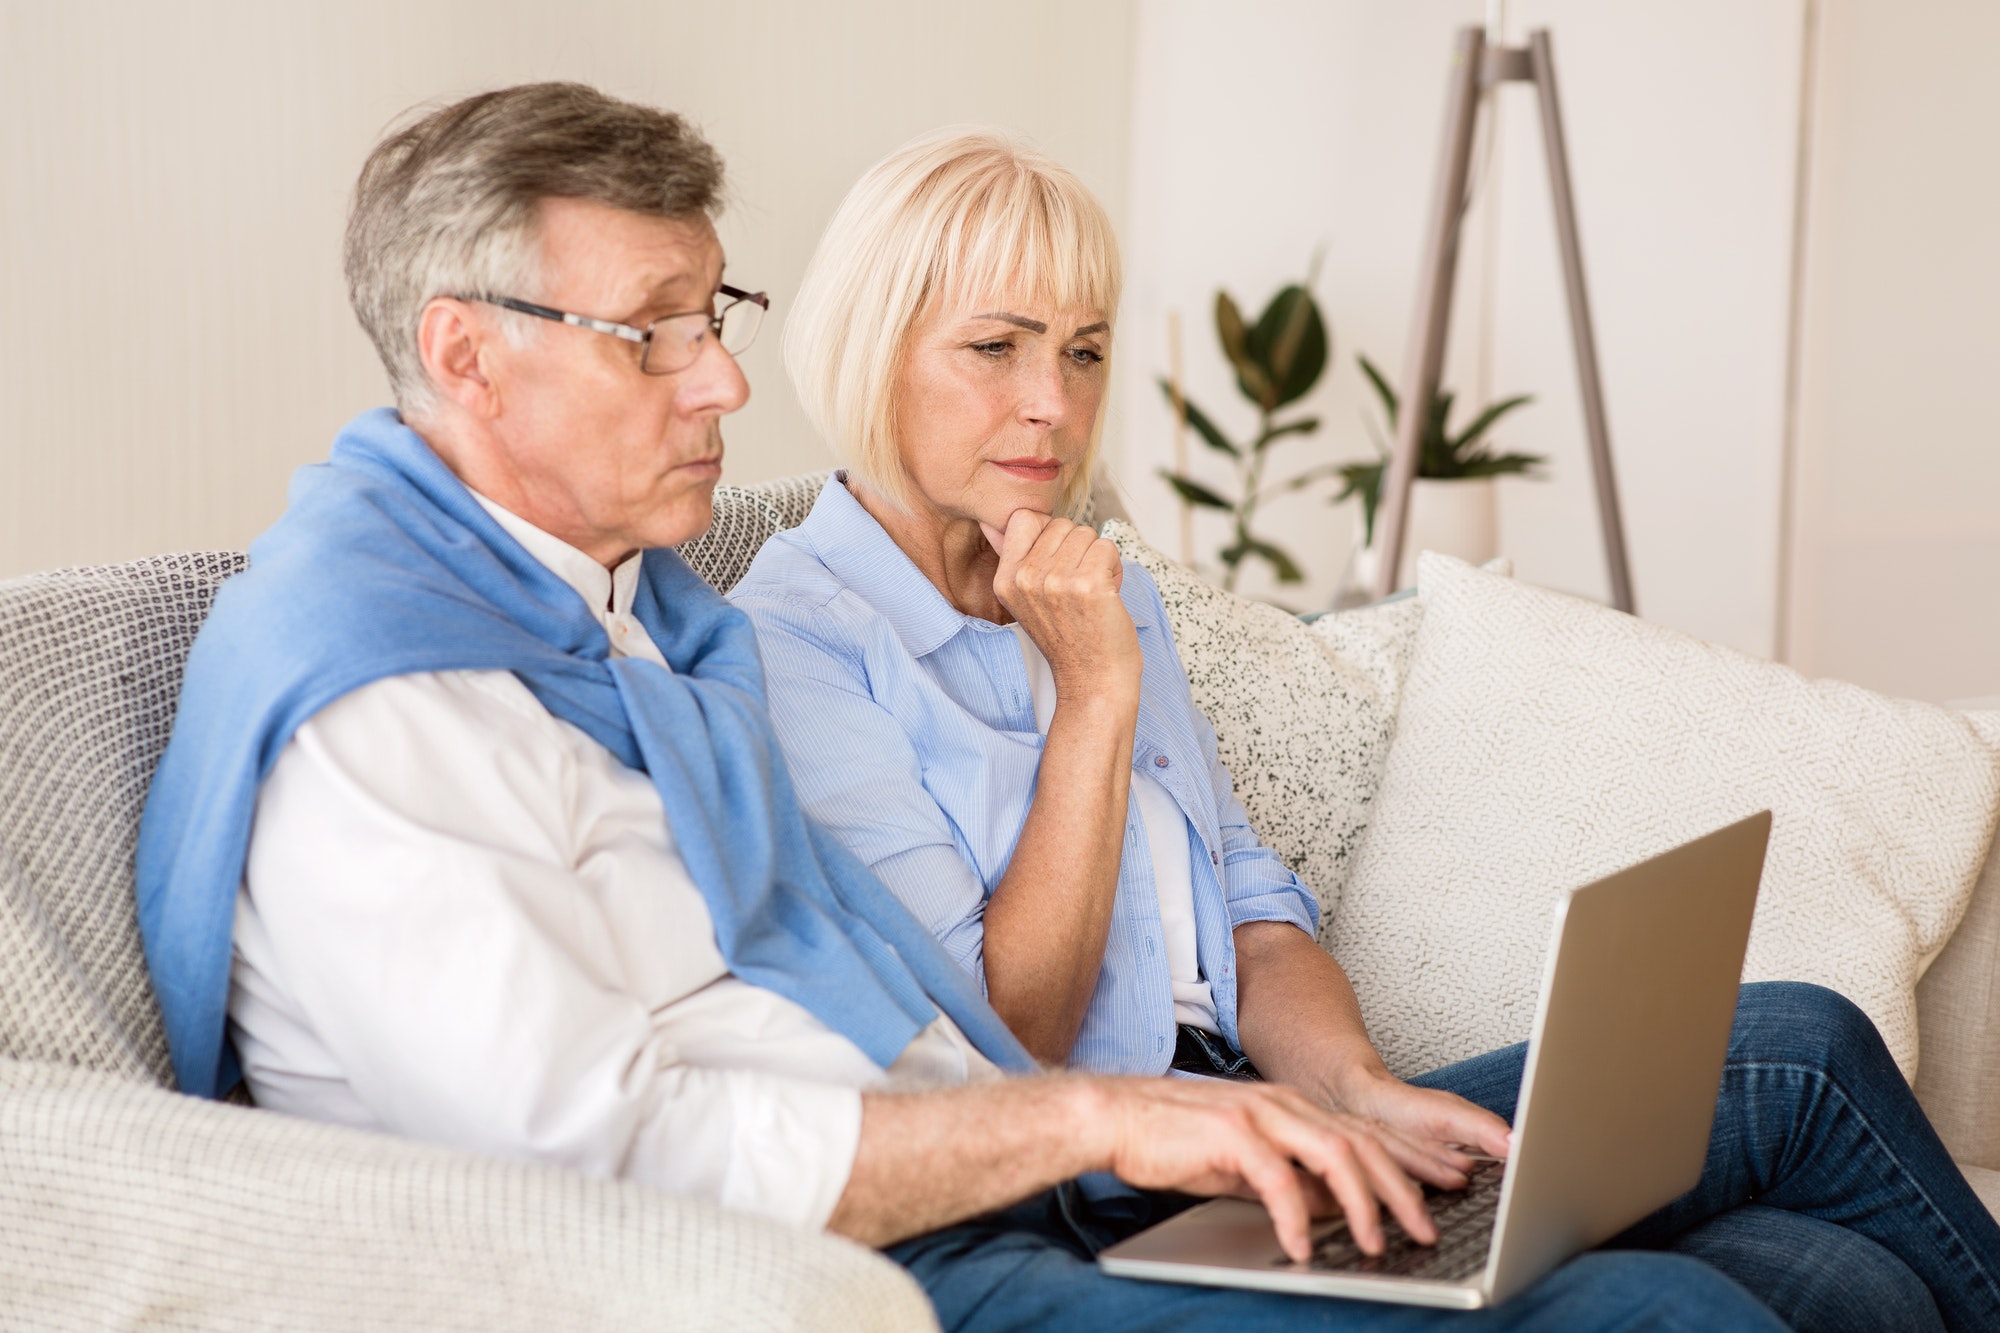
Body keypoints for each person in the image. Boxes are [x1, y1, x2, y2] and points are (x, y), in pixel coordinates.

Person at [121, 82, 1981, 1333]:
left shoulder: (618, 624)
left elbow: (1237, 897)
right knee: (1684, 1303)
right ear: (468, 351)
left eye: (718, 313)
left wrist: (1338, 1093)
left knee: (1821, 1233)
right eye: (659, 332)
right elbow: (629, 1152)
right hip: (906, 1238)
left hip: (1027, 1161)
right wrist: (1117, 1114)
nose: (720, 382)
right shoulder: (408, 712)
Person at [729, 128, 2000, 1333]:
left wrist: (1360, 1090)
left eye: (1082, 350)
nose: (1051, 406)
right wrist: (1093, 701)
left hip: (1258, 1112)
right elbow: (1008, 1041)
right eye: (994, 348)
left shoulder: (1087, 580)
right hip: (1098, 1180)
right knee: (1718, 1279)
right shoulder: (796, 643)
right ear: (870, 347)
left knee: (1823, 1157)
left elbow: (1254, 914)